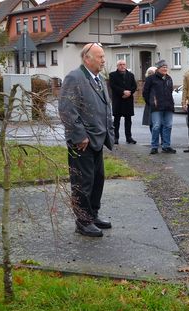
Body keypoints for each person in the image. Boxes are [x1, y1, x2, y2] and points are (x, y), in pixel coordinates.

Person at [57, 42, 115, 237]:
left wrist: (109, 131)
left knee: (97, 179)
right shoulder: (75, 77)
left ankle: (93, 215)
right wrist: (79, 135)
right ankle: (83, 221)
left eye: (103, 57)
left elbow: (106, 108)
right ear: (86, 58)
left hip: (97, 140)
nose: (103, 60)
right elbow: (67, 110)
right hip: (82, 142)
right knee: (83, 182)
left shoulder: (98, 78)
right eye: (100, 57)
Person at [143, 60, 177, 155]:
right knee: (156, 126)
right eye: (163, 67)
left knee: (168, 126)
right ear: (158, 68)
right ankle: (154, 146)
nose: (165, 69)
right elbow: (145, 92)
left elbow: (170, 91)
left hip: (168, 106)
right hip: (156, 107)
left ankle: (166, 146)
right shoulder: (151, 79)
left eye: (166, 67)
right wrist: (151, 102)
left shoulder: (169, 78)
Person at [108, 59, 138, 145]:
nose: (122, 66)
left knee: (128, 120)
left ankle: (129, 137)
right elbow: (113, 86)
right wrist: (123, 92)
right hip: (118, 100)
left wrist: (129, 93)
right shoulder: (113, 75)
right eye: (120, 64)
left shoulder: (130, 75)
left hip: (128, 101)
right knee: (116, 120)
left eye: (124, 64)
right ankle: (115, 137)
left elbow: (134, 86)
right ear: (117, 66)